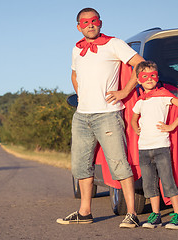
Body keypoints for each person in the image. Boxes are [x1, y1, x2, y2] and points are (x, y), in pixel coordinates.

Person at [56, 7, 144, 228]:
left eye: (93, 21)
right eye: (84, 23)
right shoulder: (77, 49)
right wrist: (81, 95)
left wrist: (124, 92)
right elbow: (74, 73)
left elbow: (140, 64)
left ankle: (131, 213)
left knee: (118, 163)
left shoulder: (114, 44)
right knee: (81, 165)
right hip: (82, 116)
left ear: (100, 22)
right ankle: (85, 212)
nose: (90, 25)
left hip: (107, 115)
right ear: (79, 27)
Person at [131, 61, 178, 229]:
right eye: (145, 76)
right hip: (143, 148)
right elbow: (133, 119)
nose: (149, 79)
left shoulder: (165, 95)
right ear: (139, 80)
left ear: (157, 77)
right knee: (149, 184)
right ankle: (155, 216)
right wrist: (136, 128)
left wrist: (171, 126)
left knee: (167, 181)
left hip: (161, 146)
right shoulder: (141, 101)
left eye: (152, 75)